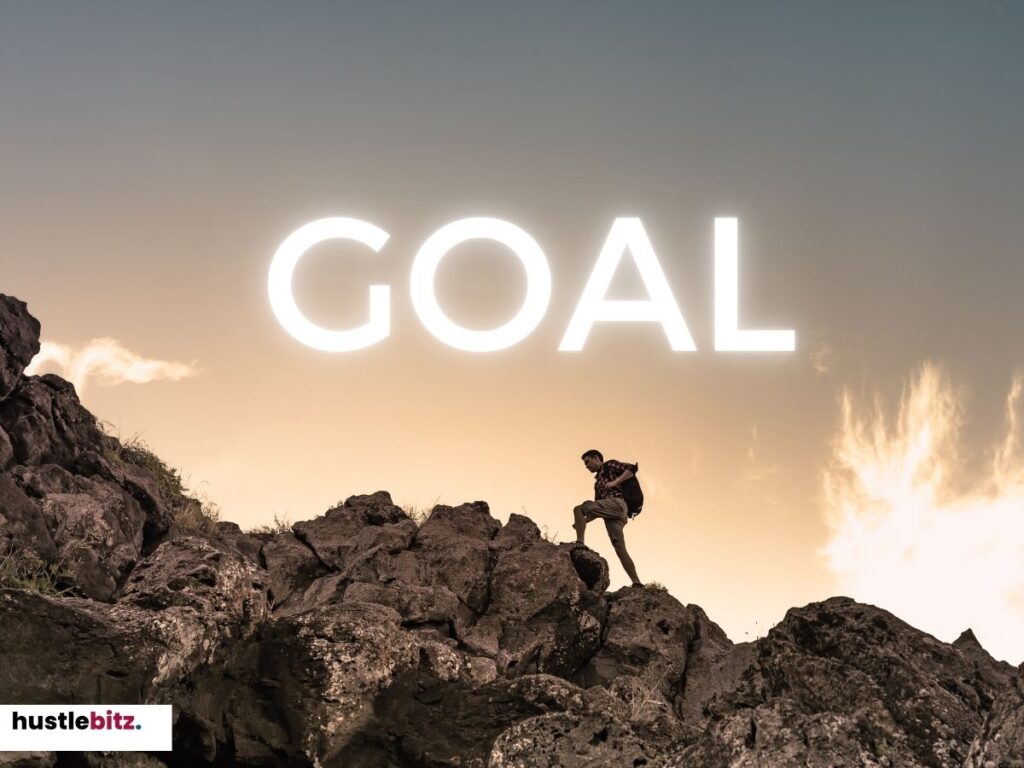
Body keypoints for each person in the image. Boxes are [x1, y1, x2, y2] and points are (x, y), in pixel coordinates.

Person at [573, 449, 642, 587]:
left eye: (588, 462)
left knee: (578, 508)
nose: (587, 466)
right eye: (585, 465)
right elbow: (595, 510)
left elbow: (632, 469)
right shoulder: (597, 484)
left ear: (596, 458)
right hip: (612, 515)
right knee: (619, 548)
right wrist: (584, 521)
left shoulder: (608, 465)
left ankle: (579, 544)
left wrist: (615, 482)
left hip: (618, 504)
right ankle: (637, 582)